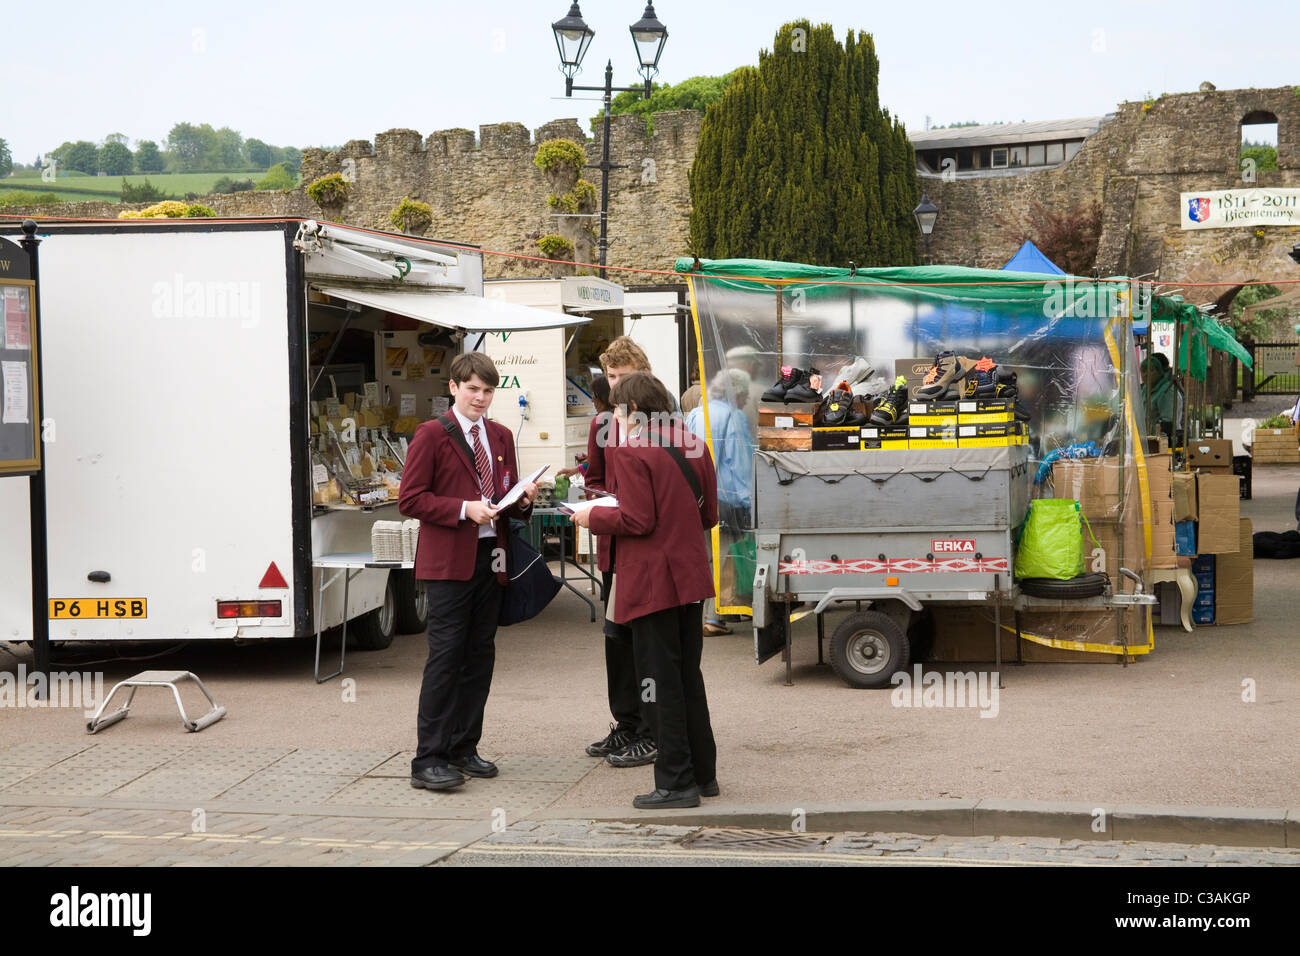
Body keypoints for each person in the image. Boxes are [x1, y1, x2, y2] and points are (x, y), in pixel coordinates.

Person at [573, 371, 720, 809]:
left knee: (658, 682)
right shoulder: (694, 444)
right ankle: (703, 775)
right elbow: (709, 514)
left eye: (618, 410)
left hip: (652, 581)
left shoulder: (631, 451)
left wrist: (590, 518)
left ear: (632, 410)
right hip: (690, 577)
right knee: (687, 677)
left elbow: (636, 520)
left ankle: (676, 784)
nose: (616, 418)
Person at [398, 351, 537, 792]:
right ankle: (429, 758)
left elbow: (505, 497)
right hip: (447, 565)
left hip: (490, 560)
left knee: (480, 657)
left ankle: (463, 746)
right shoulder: (431, 435)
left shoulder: (499, 435)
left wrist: (524, 501)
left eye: (488, 391)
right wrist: (462, 508)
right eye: (473, 389)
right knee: (446, 657)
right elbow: (411, 499)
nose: (481, 398)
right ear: (454, 389)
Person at [583, 336, 659, 769]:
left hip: (646, 550)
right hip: (614, 546)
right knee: (616, 642)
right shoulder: (602, 425)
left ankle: (650, 731)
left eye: (623, 377)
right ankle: (627, 725)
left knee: (644, 645)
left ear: (642, 375)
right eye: (610, 377)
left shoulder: (662, 421)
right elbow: (594, 478)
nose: (615, 387)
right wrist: (598, 499)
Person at [685, 368, 755, 635]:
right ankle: (715, 617)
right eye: (745, 393)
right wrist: (749, 502)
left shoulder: (695, 413)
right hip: (727, 498)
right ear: (735, 392)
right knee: (725, 558)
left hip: (698, 497)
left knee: (705, 558)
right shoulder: (733, 417)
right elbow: (738, 463)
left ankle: (701, 614)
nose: (747, 399)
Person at [556, 374, 611, 480]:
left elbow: (601, 466)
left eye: (595, 395)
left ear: (605, 396)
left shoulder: (603, 422)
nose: (592, 400)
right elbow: (601, 460)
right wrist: (579, 467)